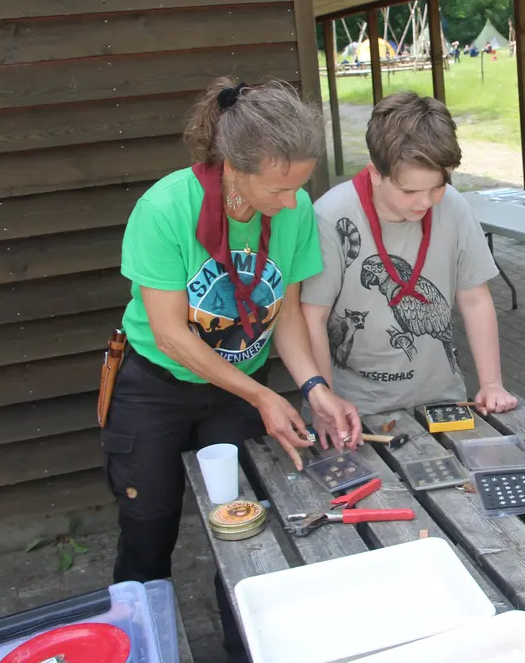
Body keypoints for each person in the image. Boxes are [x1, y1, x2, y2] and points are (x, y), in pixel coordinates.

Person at [102, 77, 360, 659]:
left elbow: (287, 313)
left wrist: (314, 386)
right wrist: (264, 398)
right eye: (280, 187)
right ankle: (143, 645)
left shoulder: (290, 213)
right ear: (233, 168)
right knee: (148, 527)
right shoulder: (166, 208)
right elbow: (169, 333)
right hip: (156, 387)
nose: (293, 201)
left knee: (244, 528)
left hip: (236, 390)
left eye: (301, 184)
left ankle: (243, 648)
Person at [301, 92, 518, 440]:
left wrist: (492, 383)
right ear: (375, 173)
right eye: (409, 191)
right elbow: (312, 318)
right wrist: (324, 401)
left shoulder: (454, 208)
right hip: (356, 411)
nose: (425, 202)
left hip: (442, 401)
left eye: (437, 187)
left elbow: (475, 299)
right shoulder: (330, 217)